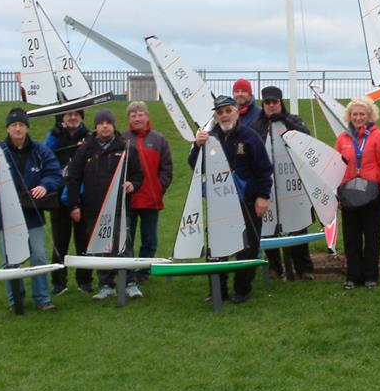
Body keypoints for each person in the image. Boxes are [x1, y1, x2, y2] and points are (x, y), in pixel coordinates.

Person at [189, 95, 273, 304]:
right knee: (216, 248)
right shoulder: (209, 138)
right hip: (220, 203)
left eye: (228, 111)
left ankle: (242, 289)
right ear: (216, 116)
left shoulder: (250, 137)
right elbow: (194, 165)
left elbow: (264, 169)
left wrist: (263, 196)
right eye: (220, 112)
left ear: (236, 112)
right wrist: (198, 146)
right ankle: (217, 289)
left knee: (248, 247)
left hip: (248, 199)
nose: (224, 115)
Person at [0, 108, 62, 311]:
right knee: (10, 260)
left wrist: (45, 185)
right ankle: (14, 299)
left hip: (32, 214)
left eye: (21, 125)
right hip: (6, 216)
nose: (18, 128)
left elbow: (55, 173)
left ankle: (42, 298)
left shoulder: (40, 150)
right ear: (8, 128)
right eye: (14, 125)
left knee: (39, 256)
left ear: (27, 127)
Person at [66, 109, 144, 300]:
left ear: (114, 125)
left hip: (120, 206)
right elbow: (73, 177)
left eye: (108, 122)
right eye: (101, 123)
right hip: (94, 208)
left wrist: (132, 184)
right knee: (102, 246)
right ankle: (105, 285)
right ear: (96, 126)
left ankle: (130, 283)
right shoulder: (85, 149)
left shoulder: (126, 147)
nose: (105, 126)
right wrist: (74, 205)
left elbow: (138, 174)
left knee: (124, 245)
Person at [250, 85, 314, 280]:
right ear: (263, 103)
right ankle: (274, 267)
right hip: (267, 183)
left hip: (291, 182)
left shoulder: (292, 119)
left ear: (281, 102)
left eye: (275, 102)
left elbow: (306, 136)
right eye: (267, 102)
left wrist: (285, 121)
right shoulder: (256, 125)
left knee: (297, 225)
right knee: (268, 228)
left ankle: (303, 268)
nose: (271, 105)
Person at [334, 97, 380, 289]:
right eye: (355, 114)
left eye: (362, 114)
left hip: (371, 194)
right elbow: (335, 166)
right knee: (351, 238)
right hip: (349, 195)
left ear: (369, 115)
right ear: (349, 116)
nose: (358, 117)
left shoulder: (378, 136)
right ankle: (352, 276)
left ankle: (370, 276)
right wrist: (336, 190)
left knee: (372, 237)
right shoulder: (342, 138)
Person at [123, 101, 173, 285]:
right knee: (126, 240)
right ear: (128, 118)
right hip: (128, 200)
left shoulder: (159, 139)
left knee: (150, 239)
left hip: (151, 199)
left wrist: (159, 188)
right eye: (133, 115)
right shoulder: (122, 139)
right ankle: (127, 272)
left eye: (140, 114)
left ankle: (143, 272)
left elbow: (167, 168)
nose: (137, 118)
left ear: (147, 116)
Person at [44, 110, 94, 294]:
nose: (72, 117)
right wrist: (56, 134)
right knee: (60, 241)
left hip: (82, 195)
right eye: (68, 115)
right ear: (62, 118)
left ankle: (85, 280)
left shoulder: (89, 136)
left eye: (76, 114)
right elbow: (45, 154)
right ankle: (58, 281)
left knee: (83, 241)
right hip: (59, 196)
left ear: (81, 116)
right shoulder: (55, 134)